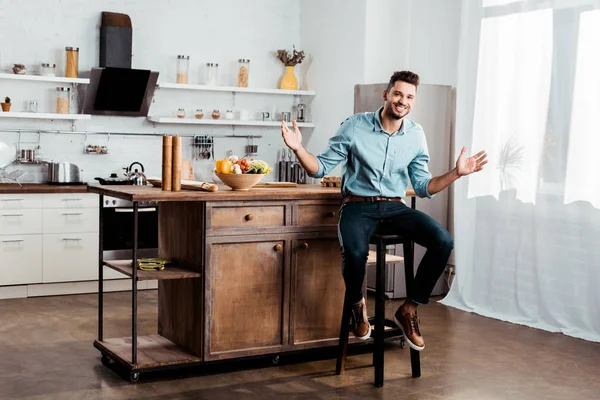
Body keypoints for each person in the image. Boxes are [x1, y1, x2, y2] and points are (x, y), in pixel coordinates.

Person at [280, 70, 487, 351]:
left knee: (443, 241)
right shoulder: (355, 126)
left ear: (414, 101)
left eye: (410, 96)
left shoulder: (415, 134)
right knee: (355, 252)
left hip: (394, 207)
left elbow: (424, 186)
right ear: (386, 94)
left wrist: (457, 173)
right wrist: (298, 149)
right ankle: (357, 303)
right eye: (398, 93)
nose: (403, 100)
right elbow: (320, 168)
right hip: (357, 206)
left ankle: (409, 308)